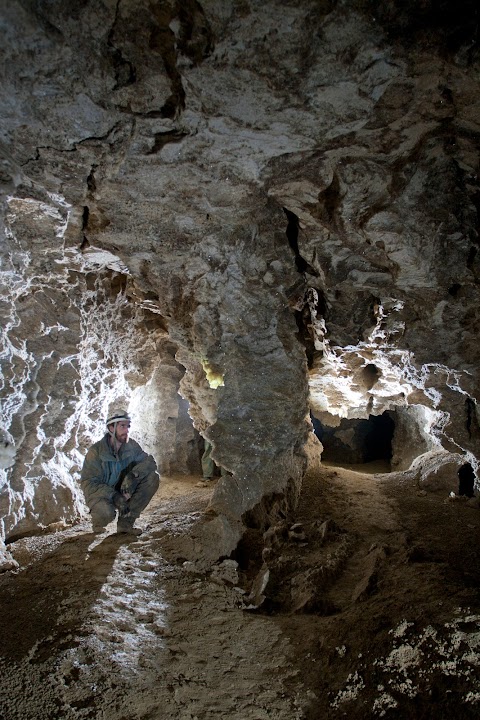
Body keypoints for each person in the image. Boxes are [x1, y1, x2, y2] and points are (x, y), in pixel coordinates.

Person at [80, 409, 160, 535]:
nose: (127, 430)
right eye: (122, 426)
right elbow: (89, 483)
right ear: (111, 428)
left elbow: (149, 463)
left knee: (152, 478)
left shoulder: (131, 446)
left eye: (128, 426)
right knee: (105, 513)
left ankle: (125, 523)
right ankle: (99, 521)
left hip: (123, 489)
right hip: (103, 494)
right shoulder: (96, 452)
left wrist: (133, 475)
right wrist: (114, 496)